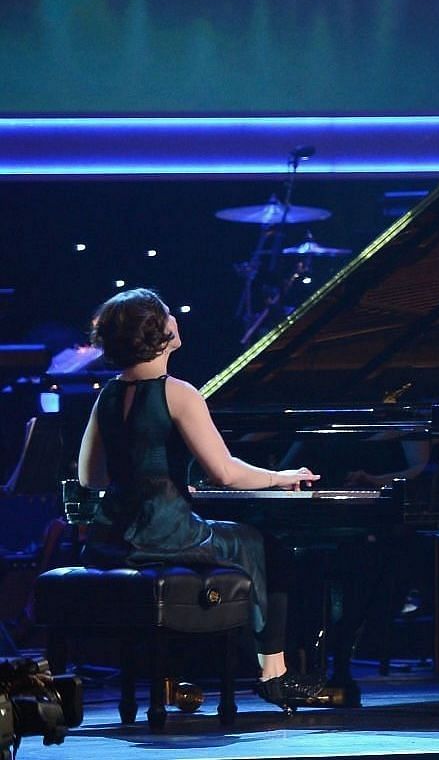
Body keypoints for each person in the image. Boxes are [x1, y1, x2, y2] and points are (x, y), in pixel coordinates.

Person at [74, 288, 323, 710]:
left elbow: (89, 475)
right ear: (160, 331)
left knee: (239, 541)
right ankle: (273, 673)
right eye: (169, 313)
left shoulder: (109, 394)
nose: (176, 318)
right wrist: (278, 477)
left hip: (114, 535)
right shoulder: (179, 392)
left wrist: (155, 478)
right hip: (164, 533)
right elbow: (224, 472)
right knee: (263, 545)